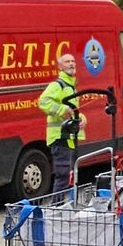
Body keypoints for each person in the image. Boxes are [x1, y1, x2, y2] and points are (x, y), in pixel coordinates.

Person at [37, 48, 87, 194]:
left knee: (69, 176)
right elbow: (43, 102)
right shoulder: (57, 85)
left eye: (73, 61)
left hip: (68, 138)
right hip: (59, 138)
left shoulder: (70, 86)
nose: (71, 64)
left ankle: (64, 207)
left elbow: (74, 110)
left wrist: (82, 119)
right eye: (67, 61)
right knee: (63, 176)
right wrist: (61, 110)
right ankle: (57, 208)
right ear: (60, 67)